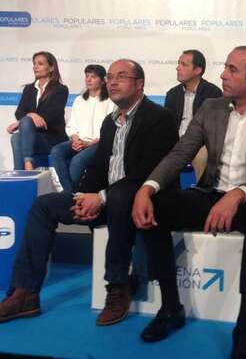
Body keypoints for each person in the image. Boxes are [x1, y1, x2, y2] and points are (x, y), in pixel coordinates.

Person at [132, 46, 246, 359]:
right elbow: (180, 153)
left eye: (232, 70)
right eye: (225, 68)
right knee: (157, 207)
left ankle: (244, 326)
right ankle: (171, 307)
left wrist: (237, 195)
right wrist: (147, 188)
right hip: (210, 192)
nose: (222, 74)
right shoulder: (211, 108)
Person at [0, 59, 178, 327]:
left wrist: (101, 197)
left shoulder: (160, 118)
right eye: (110, 77)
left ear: (139, 84)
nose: (113, 82)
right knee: (44, 206)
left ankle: (117, 287)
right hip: (107, 198)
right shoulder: (110, 122)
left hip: (141, 200)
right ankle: (25, 294)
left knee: (119, 197)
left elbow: (148, 174)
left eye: (121, 76)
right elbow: (97, 167)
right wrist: (84, 196)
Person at [50, 65, 114, 193]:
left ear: (103, 81)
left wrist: (88, 143)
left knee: (77, 161)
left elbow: (110, 130)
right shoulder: (79, 100)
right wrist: (75, 139)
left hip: (99, 143)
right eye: (87, 76)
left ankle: (69, 195)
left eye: (93, 77)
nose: (88, 79)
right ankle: (70, 193)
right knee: (56, 151)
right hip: (79, 140)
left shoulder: (110, 101)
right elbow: (71, 125)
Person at [164, 49, 222, 181]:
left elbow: (214, 129)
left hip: (200, 143)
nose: (178, 68)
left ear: (197, 70)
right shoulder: (172, 94)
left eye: (184, 64)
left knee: (202, 156)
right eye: (178, 63)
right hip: (176, 142)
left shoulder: (213, 93)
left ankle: (202, 190)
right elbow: (168, 126)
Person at [7, 51, 68, 170]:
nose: (35, 67)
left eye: (40, 64)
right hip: (32, 137)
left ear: (51, 68)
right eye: (34, 64)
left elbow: (52, 115)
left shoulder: (60, 89)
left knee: (25, 123)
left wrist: (25, 120)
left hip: (52, 138)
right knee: (16, 137)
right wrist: (31, 115)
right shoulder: (29, 89)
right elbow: (19, 112)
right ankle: (22, 172)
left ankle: (27, 164)